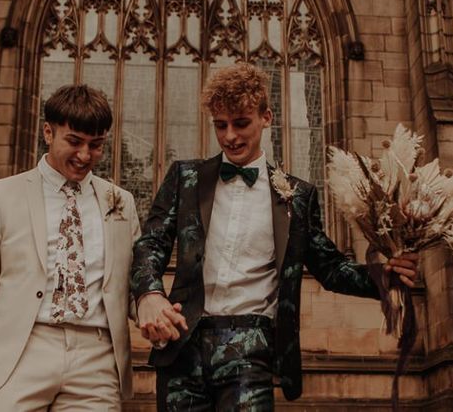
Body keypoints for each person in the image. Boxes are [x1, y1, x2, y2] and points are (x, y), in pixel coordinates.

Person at [131, 63, 419, 411]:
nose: (230, 136)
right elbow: (151, 244)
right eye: (220, 125)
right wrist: (150, 293)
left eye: (241, 123)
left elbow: (330, 267)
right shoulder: (185, 178)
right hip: (183, 343)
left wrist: (382, 277)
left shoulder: (295, 196)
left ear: (266, 117)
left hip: (251, 344)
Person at [0, 84, 140, 411]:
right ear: (48, 132)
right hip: (18, 355)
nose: (84, 156)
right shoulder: (2, 196)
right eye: (74, 142)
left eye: (96, 146)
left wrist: (158, 314)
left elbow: (132, 286)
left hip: (97, 360)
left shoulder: (121, 202)